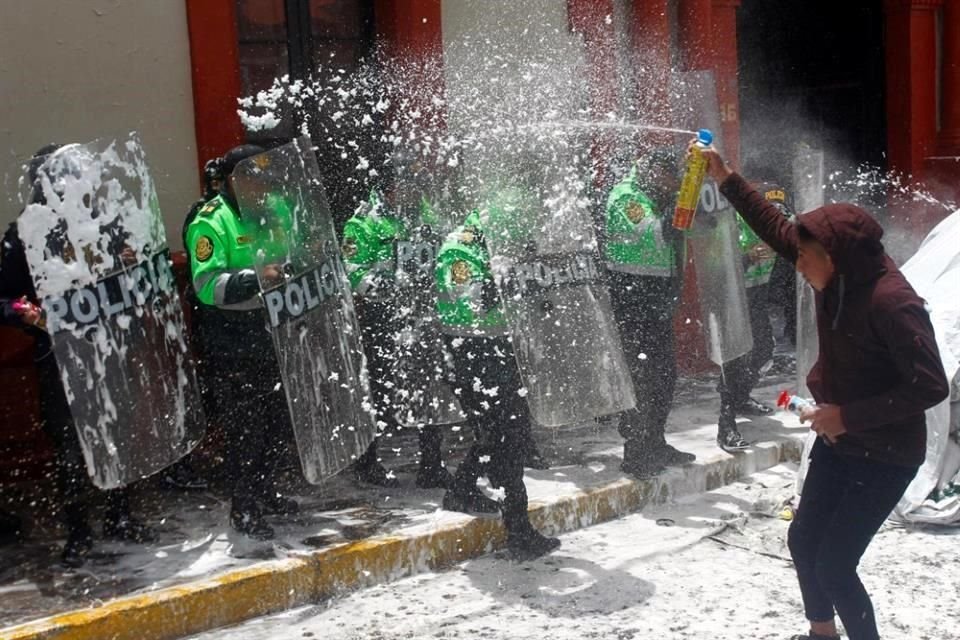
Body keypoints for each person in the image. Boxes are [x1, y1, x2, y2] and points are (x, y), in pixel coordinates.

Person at [701, 144, 949, 640]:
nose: (796, 264)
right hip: (840, 443)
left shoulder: (892, 302)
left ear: (834, 256)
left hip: (887, 454)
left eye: (805, 257)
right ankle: (822, 634)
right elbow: (775, 228)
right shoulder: (831, 271)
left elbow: (931, 384)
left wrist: (846, 417)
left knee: (835, 564)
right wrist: (726, 176)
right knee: (803, 540)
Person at [1, 144, 154, 566]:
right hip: (59, 357)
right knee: (70, 448)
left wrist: (129, 264)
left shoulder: (103, 223)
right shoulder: (25, 233)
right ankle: (79, 530)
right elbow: (5, 297)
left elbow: (131, 280)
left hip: (107, 348)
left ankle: (120, 516)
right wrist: (26, 313)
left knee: (117, 435)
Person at [185, 144, 299, 540]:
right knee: (246, 431)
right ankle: (244, 507)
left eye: (264, 181)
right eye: (252, 180)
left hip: (275, 335)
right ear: (233, 180)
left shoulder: (275, 210)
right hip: (234, 343)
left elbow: (295, 253)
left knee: (279, 425)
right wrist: (256, 278)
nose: (261, 189)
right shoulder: (211, 221)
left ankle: (266, 490)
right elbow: (205, 286)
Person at [434, 207, 560, 560]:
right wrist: (501, 274)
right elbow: (473, 301)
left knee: (499, 437)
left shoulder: (495, 247)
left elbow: (516, 298)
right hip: (472, 357)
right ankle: (518, 531)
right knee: (507, 442)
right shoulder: (458, 250)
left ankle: (461, 490)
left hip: (500, 353)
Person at [601, 149, 696, 478]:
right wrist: (682, 195)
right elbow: (656, 233)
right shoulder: (626, 197)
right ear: (654, 171)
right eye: (670, 178)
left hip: (658, 299)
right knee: (640, 378)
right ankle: (635, 452)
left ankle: (656, 441)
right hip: (631, 298)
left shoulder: (658, 194)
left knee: (665, 376)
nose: (673, 184)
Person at [715, 183, 794, 450]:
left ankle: (741, 397)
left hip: (758, 295)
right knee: (735, 360)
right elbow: (716, 265)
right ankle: (726, 426)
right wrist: (747, 257)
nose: (774, 220)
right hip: (731, 298)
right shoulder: (733, 224)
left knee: (763, 352)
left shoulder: (782, 225)